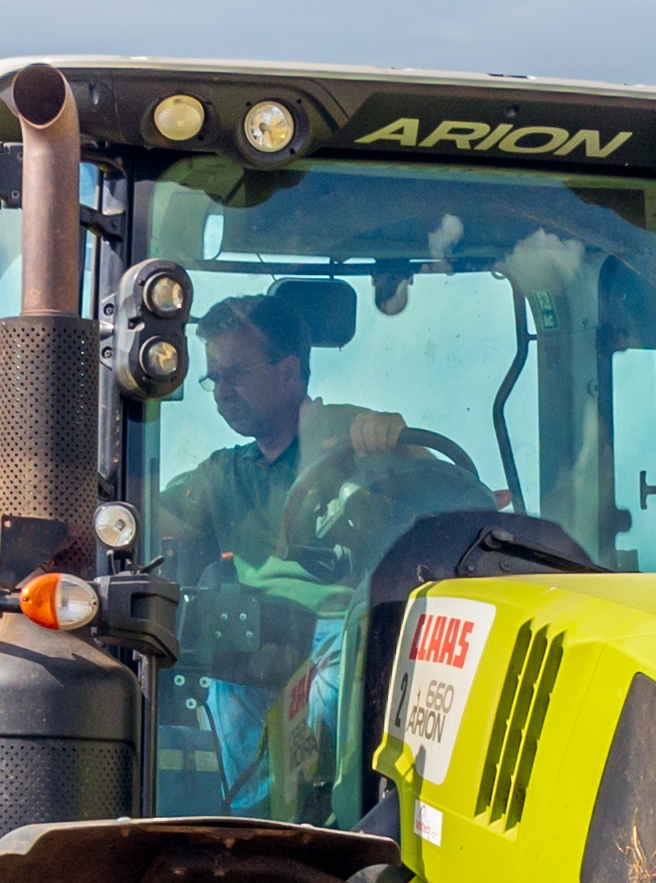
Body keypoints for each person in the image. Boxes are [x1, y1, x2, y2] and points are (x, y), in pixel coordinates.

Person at [156, 282, 477, 817]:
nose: (221, 392)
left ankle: (316, 817)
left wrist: (392, 440)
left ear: (288, 372)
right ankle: (255, 829)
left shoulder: (350, 437)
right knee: (220, 660)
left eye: (236, 374)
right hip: (261, 639)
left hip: (350, 635)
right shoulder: (223, 475)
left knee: (333, 677)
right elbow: (148, 518)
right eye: (214, 378)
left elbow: (431, 485)